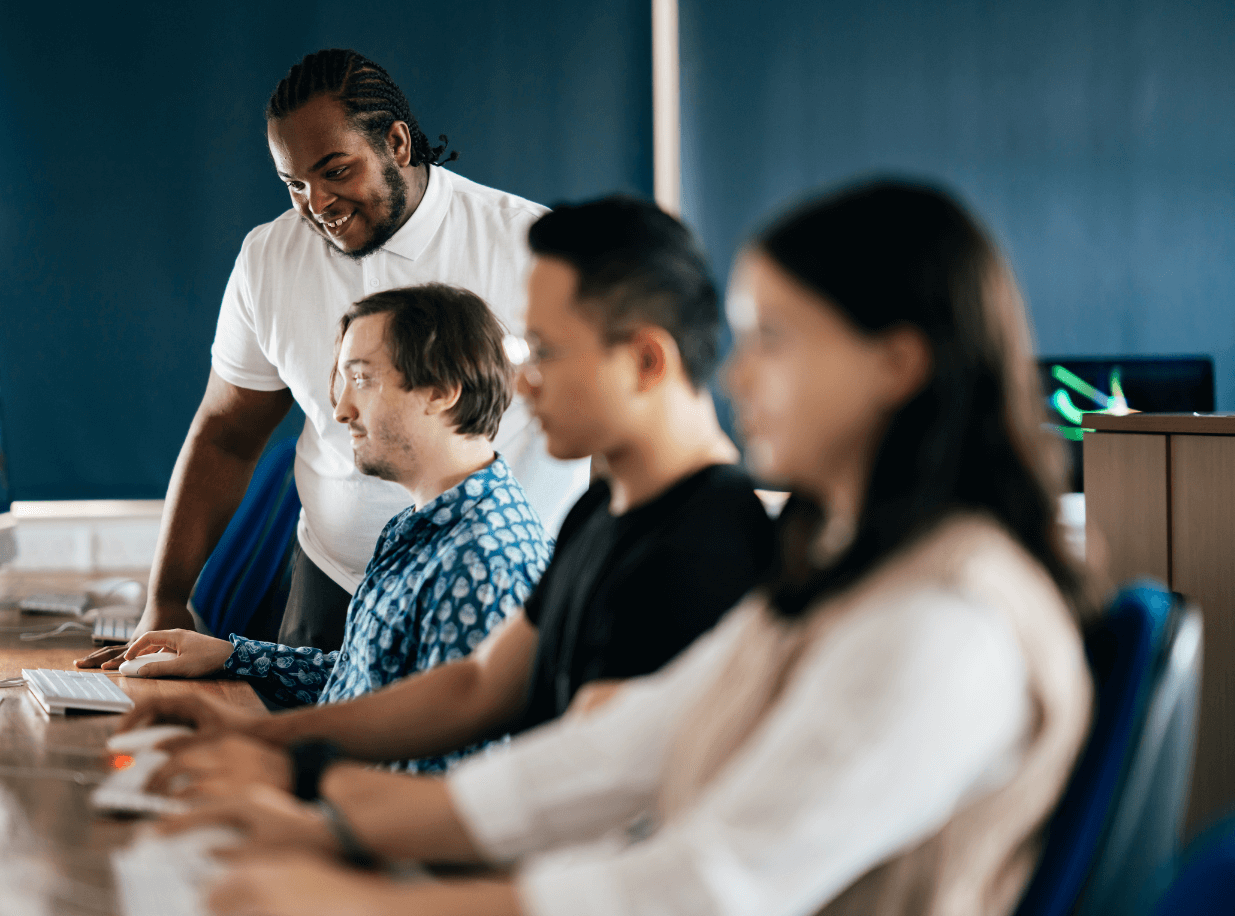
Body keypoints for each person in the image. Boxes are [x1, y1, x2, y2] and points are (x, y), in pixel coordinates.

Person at [155, 180, 1096, 916]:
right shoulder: (846, 575)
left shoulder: (942, 623)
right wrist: (314, 799)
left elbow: (705, 884)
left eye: (775, 338)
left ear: (897, 363)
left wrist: (354, 885)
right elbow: (607, 759)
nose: (735, 369)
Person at [119, 197, 776, 771]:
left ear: (644, 360)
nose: (521, 383)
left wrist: (295, 793)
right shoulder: (599, 513)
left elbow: (574, 800)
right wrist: (253, 731)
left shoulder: (705, 555)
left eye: (542, 351)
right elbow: (470, 690)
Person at [86, 48, 587, 659]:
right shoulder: (270, 258)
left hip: (501, 589)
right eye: (295, 183)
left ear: (397, 143)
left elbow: (607, 421)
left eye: (336, 171)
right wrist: (164, 599)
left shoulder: (532, 248)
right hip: (336, 587)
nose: (317, 204)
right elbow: (226, 435)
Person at [92, 285, 550, 772]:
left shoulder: (482, 562)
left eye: (361, 379)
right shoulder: (422, 523)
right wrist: (229, 656)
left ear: (441, 391)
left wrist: (269, 777)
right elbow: (370, 678)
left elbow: (442, 785)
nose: (340, 409)